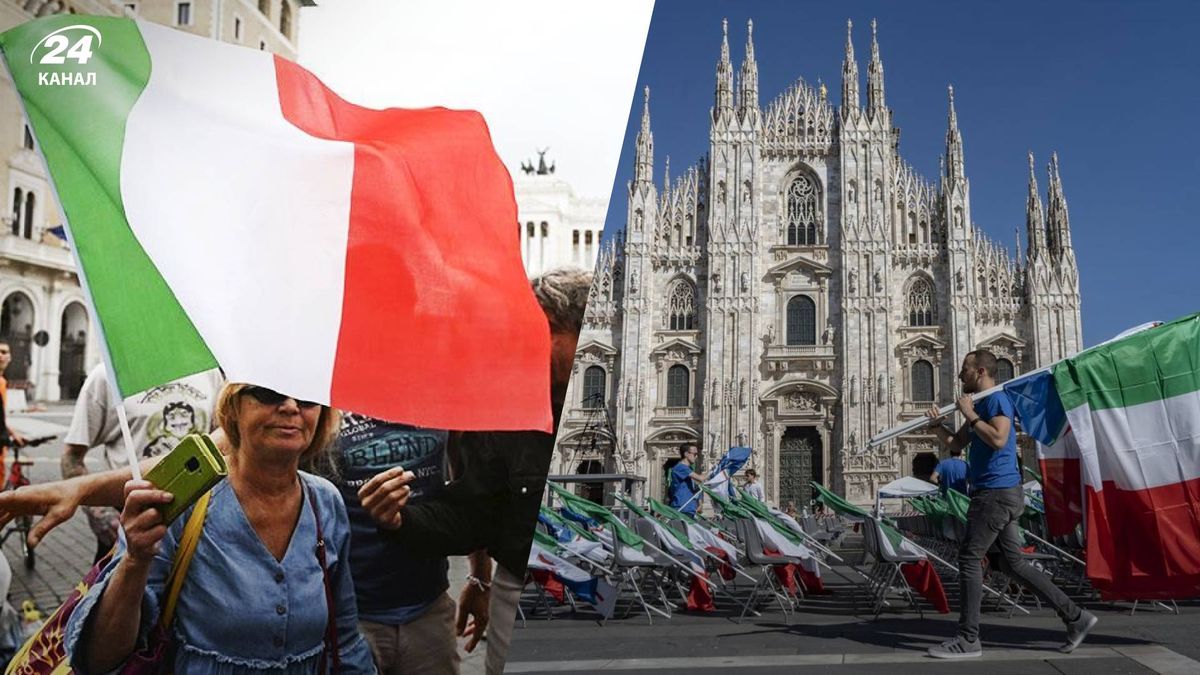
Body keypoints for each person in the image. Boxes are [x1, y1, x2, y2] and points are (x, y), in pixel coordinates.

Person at [357, 267, 590, 675]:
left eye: (552, 330)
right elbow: (473, 510)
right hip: (522, 590)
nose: (538, 345)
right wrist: (400, 519)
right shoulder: (509, 408)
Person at [64, 383, 374, 673]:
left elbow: (343, 638)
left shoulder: (325, 502)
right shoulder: (186, 498)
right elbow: (100, 659)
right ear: (234, 407)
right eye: (269, 393)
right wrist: (135, 560)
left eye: (307, 396)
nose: (291, 406)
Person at [925, 350, 1096, 659]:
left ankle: (968, 639)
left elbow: (1000, 439)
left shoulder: (998, 400)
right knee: (1011, 563)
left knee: (969, 558)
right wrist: (938, 426)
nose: (960, 375)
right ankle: (1076, 617)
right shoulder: (981, 402)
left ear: (979, 372)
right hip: (996, 492)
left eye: (964, 369)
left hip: (996, 492)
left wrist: (971, 415)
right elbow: (956, 445)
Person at [323, 414, 490, 674]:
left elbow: (467, 495)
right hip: (349, 614)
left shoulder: (441, 396)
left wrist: (481, 577)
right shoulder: (326, 402)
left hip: (428, 608)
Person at [61, 363, 223, 562]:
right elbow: (72, 456)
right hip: (131, 521)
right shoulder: (106, 375)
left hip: (196, 525)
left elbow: (219, 445)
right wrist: (102, 516)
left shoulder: (208, 372)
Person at [0, 341, 26, 474]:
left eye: (4, 352)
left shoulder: (2, 382)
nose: (1, 356)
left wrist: (11, 432)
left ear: (10, 357)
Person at [668, 443, 705, 516]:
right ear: (686, 454)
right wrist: (715, 470)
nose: (696, 457)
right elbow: (701, 478)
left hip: (691, 508)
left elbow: (697, 486)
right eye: (695, 454)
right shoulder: (680, 467)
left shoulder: (689, 469)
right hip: (682, 507)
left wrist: (700, 503)